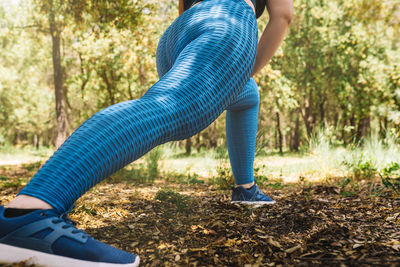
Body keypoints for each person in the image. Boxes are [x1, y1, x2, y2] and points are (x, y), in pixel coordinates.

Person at [0, 0, 293, 265]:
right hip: (228, 20)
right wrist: (241, 67)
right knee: (173, 107)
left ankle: (245, 189)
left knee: (247, 96)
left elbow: (186, 7)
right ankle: (28, 213)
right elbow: (283, 15)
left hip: (180, 32)